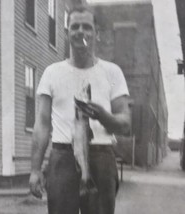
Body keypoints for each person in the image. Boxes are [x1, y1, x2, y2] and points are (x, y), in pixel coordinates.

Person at [29, 5, 131, 214]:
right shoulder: (52, 72)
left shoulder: (112, 72)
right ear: (67, 33)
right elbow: (42, 124)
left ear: (96, 33)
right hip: (62, 158)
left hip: (101, 158)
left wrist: (103, 116)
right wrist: (34, 170)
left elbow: (125, 123)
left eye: (87, 27)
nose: (80, 32)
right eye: (74, 27)